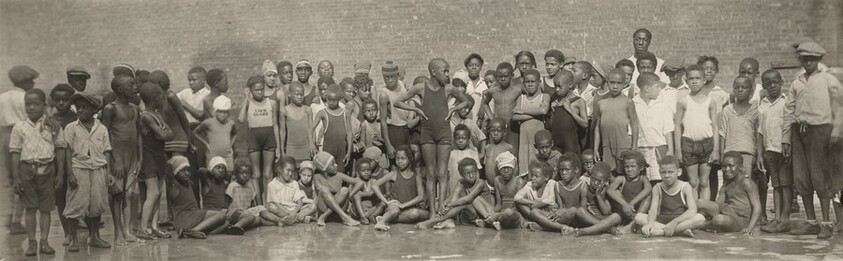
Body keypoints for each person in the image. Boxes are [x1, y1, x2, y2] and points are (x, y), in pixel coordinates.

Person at [392, 58, 469, 214]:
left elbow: (466, 101)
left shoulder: (449, 88)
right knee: (431, 173)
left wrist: (453, 110)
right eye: (445, 71)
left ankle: (441, 209)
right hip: (427, 133)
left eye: (448, 71)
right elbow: (397, 102)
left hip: (444, 132)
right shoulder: (421, 88)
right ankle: (433, 212)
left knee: (442, 173)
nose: (448, 74)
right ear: (433, 72)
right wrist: (418, 111)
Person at [786, 41, 842, 239]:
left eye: (813, 59)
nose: (809, 63)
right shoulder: (797, 81)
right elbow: (789, 110)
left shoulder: (828, 80)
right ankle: (811, 222)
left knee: (821, 177)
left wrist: (836, 131)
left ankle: (826, 222)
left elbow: (839, 107)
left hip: (821, 131)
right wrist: (787, 138)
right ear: (801, 59)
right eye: (805, 59)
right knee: (801, 177)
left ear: (819, 60)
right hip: (799, 131)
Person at [57, 92, 112, 250]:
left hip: (98, 169)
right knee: (75, 203)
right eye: (78, 107)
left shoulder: (101, 129)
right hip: (79, 169)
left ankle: (94, 236)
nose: (80, 110)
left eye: (85, 108)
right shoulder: (71, 128)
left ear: (94, 110)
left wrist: (108, 173)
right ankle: (73, 238)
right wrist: (69, 173)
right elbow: (67, 150)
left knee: (96, 203)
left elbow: (107, 150)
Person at [10, 88, 61, 256]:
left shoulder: (52, 125)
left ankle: (44, 242)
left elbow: (60, 149)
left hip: (47, 170)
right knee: (30, 209)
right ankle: (32, 243)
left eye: (36, 104)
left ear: (44, 105)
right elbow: (15, 152)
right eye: (28, 104)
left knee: (46, 209)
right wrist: (16, 177)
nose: (31, 107)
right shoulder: (19, 127)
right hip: (27, 171)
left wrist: (60, 174)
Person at [100, 75, 143, 246]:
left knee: (130, 194)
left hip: (132, 157)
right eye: (130, 84)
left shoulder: (134, 108)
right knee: (117, 195)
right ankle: (118, 233)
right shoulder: (111, 109)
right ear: (119, 89)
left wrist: (140, 159)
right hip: (116, 157)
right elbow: (105, 135)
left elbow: (139, 134)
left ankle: (127, 231)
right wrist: (115, 160)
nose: (134, 87)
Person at [674, 65, 720, 200]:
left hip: (707, 144)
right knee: (693, 182)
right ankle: (693, 211)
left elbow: (715, 126)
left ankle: (704, 212)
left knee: (704, 182)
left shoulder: (710, 102)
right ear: (686, 81)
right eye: (691, 79)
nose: (694, 81)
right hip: (689, 144)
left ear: (704, 80)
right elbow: (677, 126)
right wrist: (678, 149)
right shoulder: (683, 102)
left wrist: (716, 149)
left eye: (698, 78)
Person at [1, 65, 37, 236]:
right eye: (31, 80)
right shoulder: (26, 98)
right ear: (25, 81)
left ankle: (11, 218)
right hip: (22, 135)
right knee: (23, 178)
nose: (33, 83)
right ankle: (16, 221)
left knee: (11, 178)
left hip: (5, 136)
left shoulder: (3, 97)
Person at [136, 83, 175, 241]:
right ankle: (143, 227)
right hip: (149, 158)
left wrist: (165, 133)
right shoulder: (146, 116)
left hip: (159, 157)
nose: (163, 98)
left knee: (159, 194)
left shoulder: (157, 114)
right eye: (161, 96)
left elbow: (168, 134)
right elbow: (165, 135)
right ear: (155, 98)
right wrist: (165, 133)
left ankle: (154, 226)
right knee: (154, 192)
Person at [757, 69, 794, 233]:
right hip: (769, 151)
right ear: (763, 85)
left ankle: (785, 218)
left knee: (786, 185)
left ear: (781, 82)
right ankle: (777, 218)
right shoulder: (762, 105)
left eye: (776, 82)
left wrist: (790, 147)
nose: (773, 86)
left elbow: (790, 127)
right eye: (768, 83)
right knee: (776, 185)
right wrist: (760, 154)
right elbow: (760, 132)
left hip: (784, 151)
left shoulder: (786, 102)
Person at [635, 156, 706, 238]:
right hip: (662, 220)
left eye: (670, 172)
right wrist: (650, 223)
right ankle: (679, 232)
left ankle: (660, 232)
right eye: (663, 172)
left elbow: (692, 210)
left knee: (700, 218)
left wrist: (674, 222)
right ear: (659, 172)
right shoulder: (657, 187)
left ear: (679, 172)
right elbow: (653, 209)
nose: (667, 175)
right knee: (638, 217)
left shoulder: (685, 186)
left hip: (680, 220)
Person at [416, 158, 496, 230]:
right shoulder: (461, 182)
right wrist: (445, 206)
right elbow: (453, 197)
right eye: (467, 173)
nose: (471, 175)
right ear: (462, 175)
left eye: (473, 172)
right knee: (447, 202)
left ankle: (432, 221)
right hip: (475, 214)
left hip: (488, 213)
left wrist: (450, 205)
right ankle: (449, 220)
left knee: (466, 202)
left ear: (477, 171)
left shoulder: (480, 183)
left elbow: (468, 199)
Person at [237, 75, 280, 205]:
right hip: (254, 138)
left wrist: (277, 146)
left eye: (262, 89)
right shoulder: (248, 103)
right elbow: (241, 119)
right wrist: (246, 98)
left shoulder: (271, 103)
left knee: (268, 173)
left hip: (269, 138)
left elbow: (276, 125)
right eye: (256, 90)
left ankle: (268, 203)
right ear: (250, 90)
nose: (260, 92)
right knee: (256, 174)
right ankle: (259, 204)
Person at [718, 76, 760, 208]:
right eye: (736, 87)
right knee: (728, 185)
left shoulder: (756, 111)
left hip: (747, 155)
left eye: (744, 87)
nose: (740, 90)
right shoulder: (727, 110)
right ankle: (727, 210)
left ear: (751, 90)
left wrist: (758, 155)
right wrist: (721, 154)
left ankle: (747, 213)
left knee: (745, 184)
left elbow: (758, 134)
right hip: (730, 154)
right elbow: (722, 133)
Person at [697, 152, 762, 235]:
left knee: (719, 220)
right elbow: (718, 203)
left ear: (740, 167)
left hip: (740, 219)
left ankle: (702, 226)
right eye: (724, 166)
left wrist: (750, 227)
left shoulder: (746, 182)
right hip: (727, 210)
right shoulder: (728, 181)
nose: (727, 169)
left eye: (731, 166)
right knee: (700, 203)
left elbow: (757, 207)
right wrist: (706, 212)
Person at [165, 156, 227, 239]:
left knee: (226, 223)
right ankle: (194, 230)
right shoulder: (174, 186)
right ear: (175, 173)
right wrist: (211, 171)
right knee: (221, 215)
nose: (187, 173)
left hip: (194, 216)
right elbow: (201, 171)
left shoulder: (188, 183)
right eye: (182, 171)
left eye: (188, 170)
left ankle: (191, 233)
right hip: (185, 219)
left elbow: (201, 170)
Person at [593, 69, 639, 172]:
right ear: (607, 82)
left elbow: (635, 124)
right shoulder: (601, 103)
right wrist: (596, 148)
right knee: (609, 172)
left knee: (624, 172)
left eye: (619, 83)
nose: (615, 86)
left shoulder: (628, 102)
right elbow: (597, 128)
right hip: (607, 145)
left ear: (624, 84)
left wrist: (634, 147)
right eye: (612, 82)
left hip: (623, 144)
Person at [372, 147, 429, 231]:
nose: (399, 161)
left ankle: (388, 218)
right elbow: (374, 185)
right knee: (395, 210)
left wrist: (403, 205)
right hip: (395, 207)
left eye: (403, 158)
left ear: (411, 159)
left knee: (418, 213)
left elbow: (421, 197)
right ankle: (382, 222)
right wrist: (386, 201)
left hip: (408, 208)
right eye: (397, 158)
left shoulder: (416, 175)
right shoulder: (394, 174)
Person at [48, 84, 77, 245]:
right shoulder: (51, 121)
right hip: (57, 165)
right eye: (57, 100)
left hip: (75, 164)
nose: (61, 103)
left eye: (65, 100)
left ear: (70, 100)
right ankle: (67, 233)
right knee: (61, 199)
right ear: (53, 101)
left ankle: (75, 232)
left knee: (75, 197)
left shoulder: (77, 118)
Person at [633, 72, 675, 184]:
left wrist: (670, 149)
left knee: (660, 180)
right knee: (643, 181)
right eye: (657, 87)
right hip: (641, 149)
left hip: (659, 148)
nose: (659, 90)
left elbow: (668, 128)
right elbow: (632, 129)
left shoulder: (662, 103)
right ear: (646, 88)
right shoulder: (633, 104)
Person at [513, 69, 550, 177]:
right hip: (524, 139)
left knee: (538, 164)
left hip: (538, 137)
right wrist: (536, 114)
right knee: (525, 165)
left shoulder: (544, 96)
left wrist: (523, 112)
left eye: (532, 82)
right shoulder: (521, 98)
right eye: (527, 82)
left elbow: (543, 111)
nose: (530, 84)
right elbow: (514, 117)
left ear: (539, 82)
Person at [482, 62, 524, 157]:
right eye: (500, 76)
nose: (503, 79)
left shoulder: (517, 89)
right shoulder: (493, 91)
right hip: (498, 127)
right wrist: (492, 118)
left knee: (513, 153)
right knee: (497, 153)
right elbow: (484, 103)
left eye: (506, 76)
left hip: (512, 126)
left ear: (512, 76)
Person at [515, 161, 568, 233]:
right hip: (535, 213)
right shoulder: (529, 184)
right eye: (532, 175)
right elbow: (517, 197)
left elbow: (551, 200)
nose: (533, 178)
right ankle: (543, 224)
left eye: (536, 176)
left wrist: (538, 205)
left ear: (546, 177)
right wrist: (533, 202)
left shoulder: (551, 183)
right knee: (520, 204)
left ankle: (550, 226)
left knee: (552, 206)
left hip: (547, 213)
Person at [149, 71, 192, 157]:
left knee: (178, 166)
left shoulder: (171, 96)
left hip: (178, 138)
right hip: (166, 138)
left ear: (159, 84)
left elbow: (183, 119)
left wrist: (189, 139)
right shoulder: (156, 98)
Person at [312, 151, 362, 226]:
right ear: (324, 168)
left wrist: (349, 194)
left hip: (336, 213)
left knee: (345, 190)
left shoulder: (339, 175)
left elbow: (359, 183)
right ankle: (345, 217)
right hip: (323, 208)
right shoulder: (317, 177)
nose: (336, 165)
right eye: (332, 164)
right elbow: (319, 187)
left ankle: (325, 216)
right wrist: (337, 191)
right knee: (324, 190)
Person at [607, 151, 652, 232]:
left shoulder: (643, 178)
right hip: (624, 211)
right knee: (616, 192)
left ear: (641, 167)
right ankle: (630, 223)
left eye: (633, 166)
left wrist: (631, 204)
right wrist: (625, 205)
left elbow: (648, 189)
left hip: (638, 212)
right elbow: (609, 190)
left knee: (648, 196)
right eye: (627, 167)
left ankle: (632, 225)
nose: (629, 169)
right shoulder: (621, 178)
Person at [223, 159, 271, 234]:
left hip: (246, 213)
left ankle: (240, 225)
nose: (245, 175)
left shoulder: (250, 186)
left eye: (247, 173)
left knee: (258, 218)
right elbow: (226, 201)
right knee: (251, 218)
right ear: (236, 174)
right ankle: (236, 226)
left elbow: (252, 203)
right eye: (242, 173)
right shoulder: (232, 186)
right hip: (235, 213)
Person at [266, 156, 317, 225]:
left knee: (313, 206)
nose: (290, 174)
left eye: (292, 171)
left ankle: (291, 219)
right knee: (271, 207)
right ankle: (300, 219)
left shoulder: (294, 183)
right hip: (281, 210)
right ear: (280, 169)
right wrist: (289, 213)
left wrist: (294, 211)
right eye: (288, 170)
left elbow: (300, 203)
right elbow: (277, 205)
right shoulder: (272, 185)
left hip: (295, 210)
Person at [378, 61, 414, 157]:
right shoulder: (384, 95)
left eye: (392, 77)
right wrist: (388, 145)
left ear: (398, 76)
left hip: (407, 128)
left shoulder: (402, 85)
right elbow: (383, 121)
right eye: (386, 78)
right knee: (396, 161)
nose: (389, 80)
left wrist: (410, 116)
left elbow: (410, 100)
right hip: (394, 131)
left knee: (408, 159)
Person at [547, 70, 588, 154]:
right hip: (556, 143)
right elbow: (551, 126)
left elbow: (585, 124)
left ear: (570, 85)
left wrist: (570, 110)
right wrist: (553, 112)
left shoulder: (578, 101)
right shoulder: (556, 101)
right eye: (555, 87)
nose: (557, 90)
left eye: (559, 86)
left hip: (570, 143)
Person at [315, 84, 354, 172]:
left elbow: (349, 133)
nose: (332, 102)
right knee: (327, 174)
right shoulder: (322, 112)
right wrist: (311, 144)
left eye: (335, 100)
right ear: (326, 97)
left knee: (340, 174)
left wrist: (348, 152)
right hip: (328, 149)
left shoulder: (345, 112)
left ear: (339, 98)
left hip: (342, 151)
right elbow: (311, 128)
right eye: (329, 100)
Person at [193, 96, 236, 172]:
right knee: (212, 176)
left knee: (229, 174)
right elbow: (195, 133)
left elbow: (235, 134)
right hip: (213, 155)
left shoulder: (231, 123)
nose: (222, 115)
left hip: (227, 155)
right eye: (220, 112)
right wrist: (206, 144)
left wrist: (230, 145)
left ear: (228, 112)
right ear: (215, 111)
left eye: (225, 112)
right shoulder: (208, 122)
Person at [279, 82, 316, 163]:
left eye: (302, 94)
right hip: (291, 148)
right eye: (297, 94)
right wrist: (282, 150)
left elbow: (310, 129)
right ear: (289, 94)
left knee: (306, 172)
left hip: (306, 148)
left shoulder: (307, 110)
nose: (300, 97)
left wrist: (311, 144)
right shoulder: (285, 111)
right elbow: (282, 131)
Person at [350, 158, 386, 225]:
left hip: (370, 210)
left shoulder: (373, 181)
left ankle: (372, 216)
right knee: (356, 195)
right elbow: (351, 196)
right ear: (358, 172)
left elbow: (376, 193)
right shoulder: (356, 181)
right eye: (363, 170)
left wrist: (362, 194)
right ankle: (363, 217)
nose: (366, 172)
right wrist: (359, 195)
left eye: (368, 170)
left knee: (383, 202)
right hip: (358, 211)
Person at [448, 124, 482, 191]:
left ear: (468, 139)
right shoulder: (451, 154)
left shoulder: (473, 153)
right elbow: (447, 173)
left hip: (470, 189)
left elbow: (477, 172)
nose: (460, 141)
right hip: (453, 187)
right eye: (458, 138)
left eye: (463, 138)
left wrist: (475, 188)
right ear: (454, 139)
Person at [484, 118, 515, 183]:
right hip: (488, 184)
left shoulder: (508, 147)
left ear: (504, 132)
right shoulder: (487, 147)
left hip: (501, 184)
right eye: (493, 130)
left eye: (499, 130)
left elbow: (515, 168)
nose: (495, 133)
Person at [463, 53, 489, 121]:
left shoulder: (485, 84)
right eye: (471, 65)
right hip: (464, 122)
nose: (474, 67)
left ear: (481, 67)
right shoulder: (463, 83)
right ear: (466, 67)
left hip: (481, 122)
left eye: (477, 65)